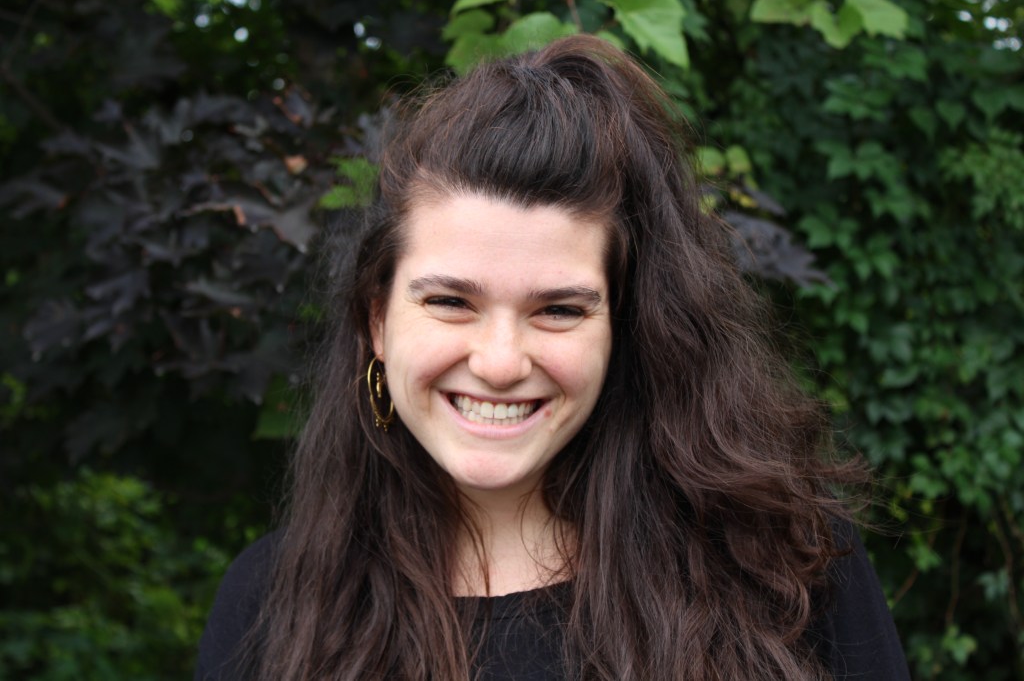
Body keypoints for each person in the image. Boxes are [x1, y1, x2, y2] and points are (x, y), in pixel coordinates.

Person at [195, 35, 910, 680]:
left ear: (626, 328)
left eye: (559, 310)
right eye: (450, 301)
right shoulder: (270, 603)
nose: (500, 363)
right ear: (377, 320)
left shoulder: (785, 563)